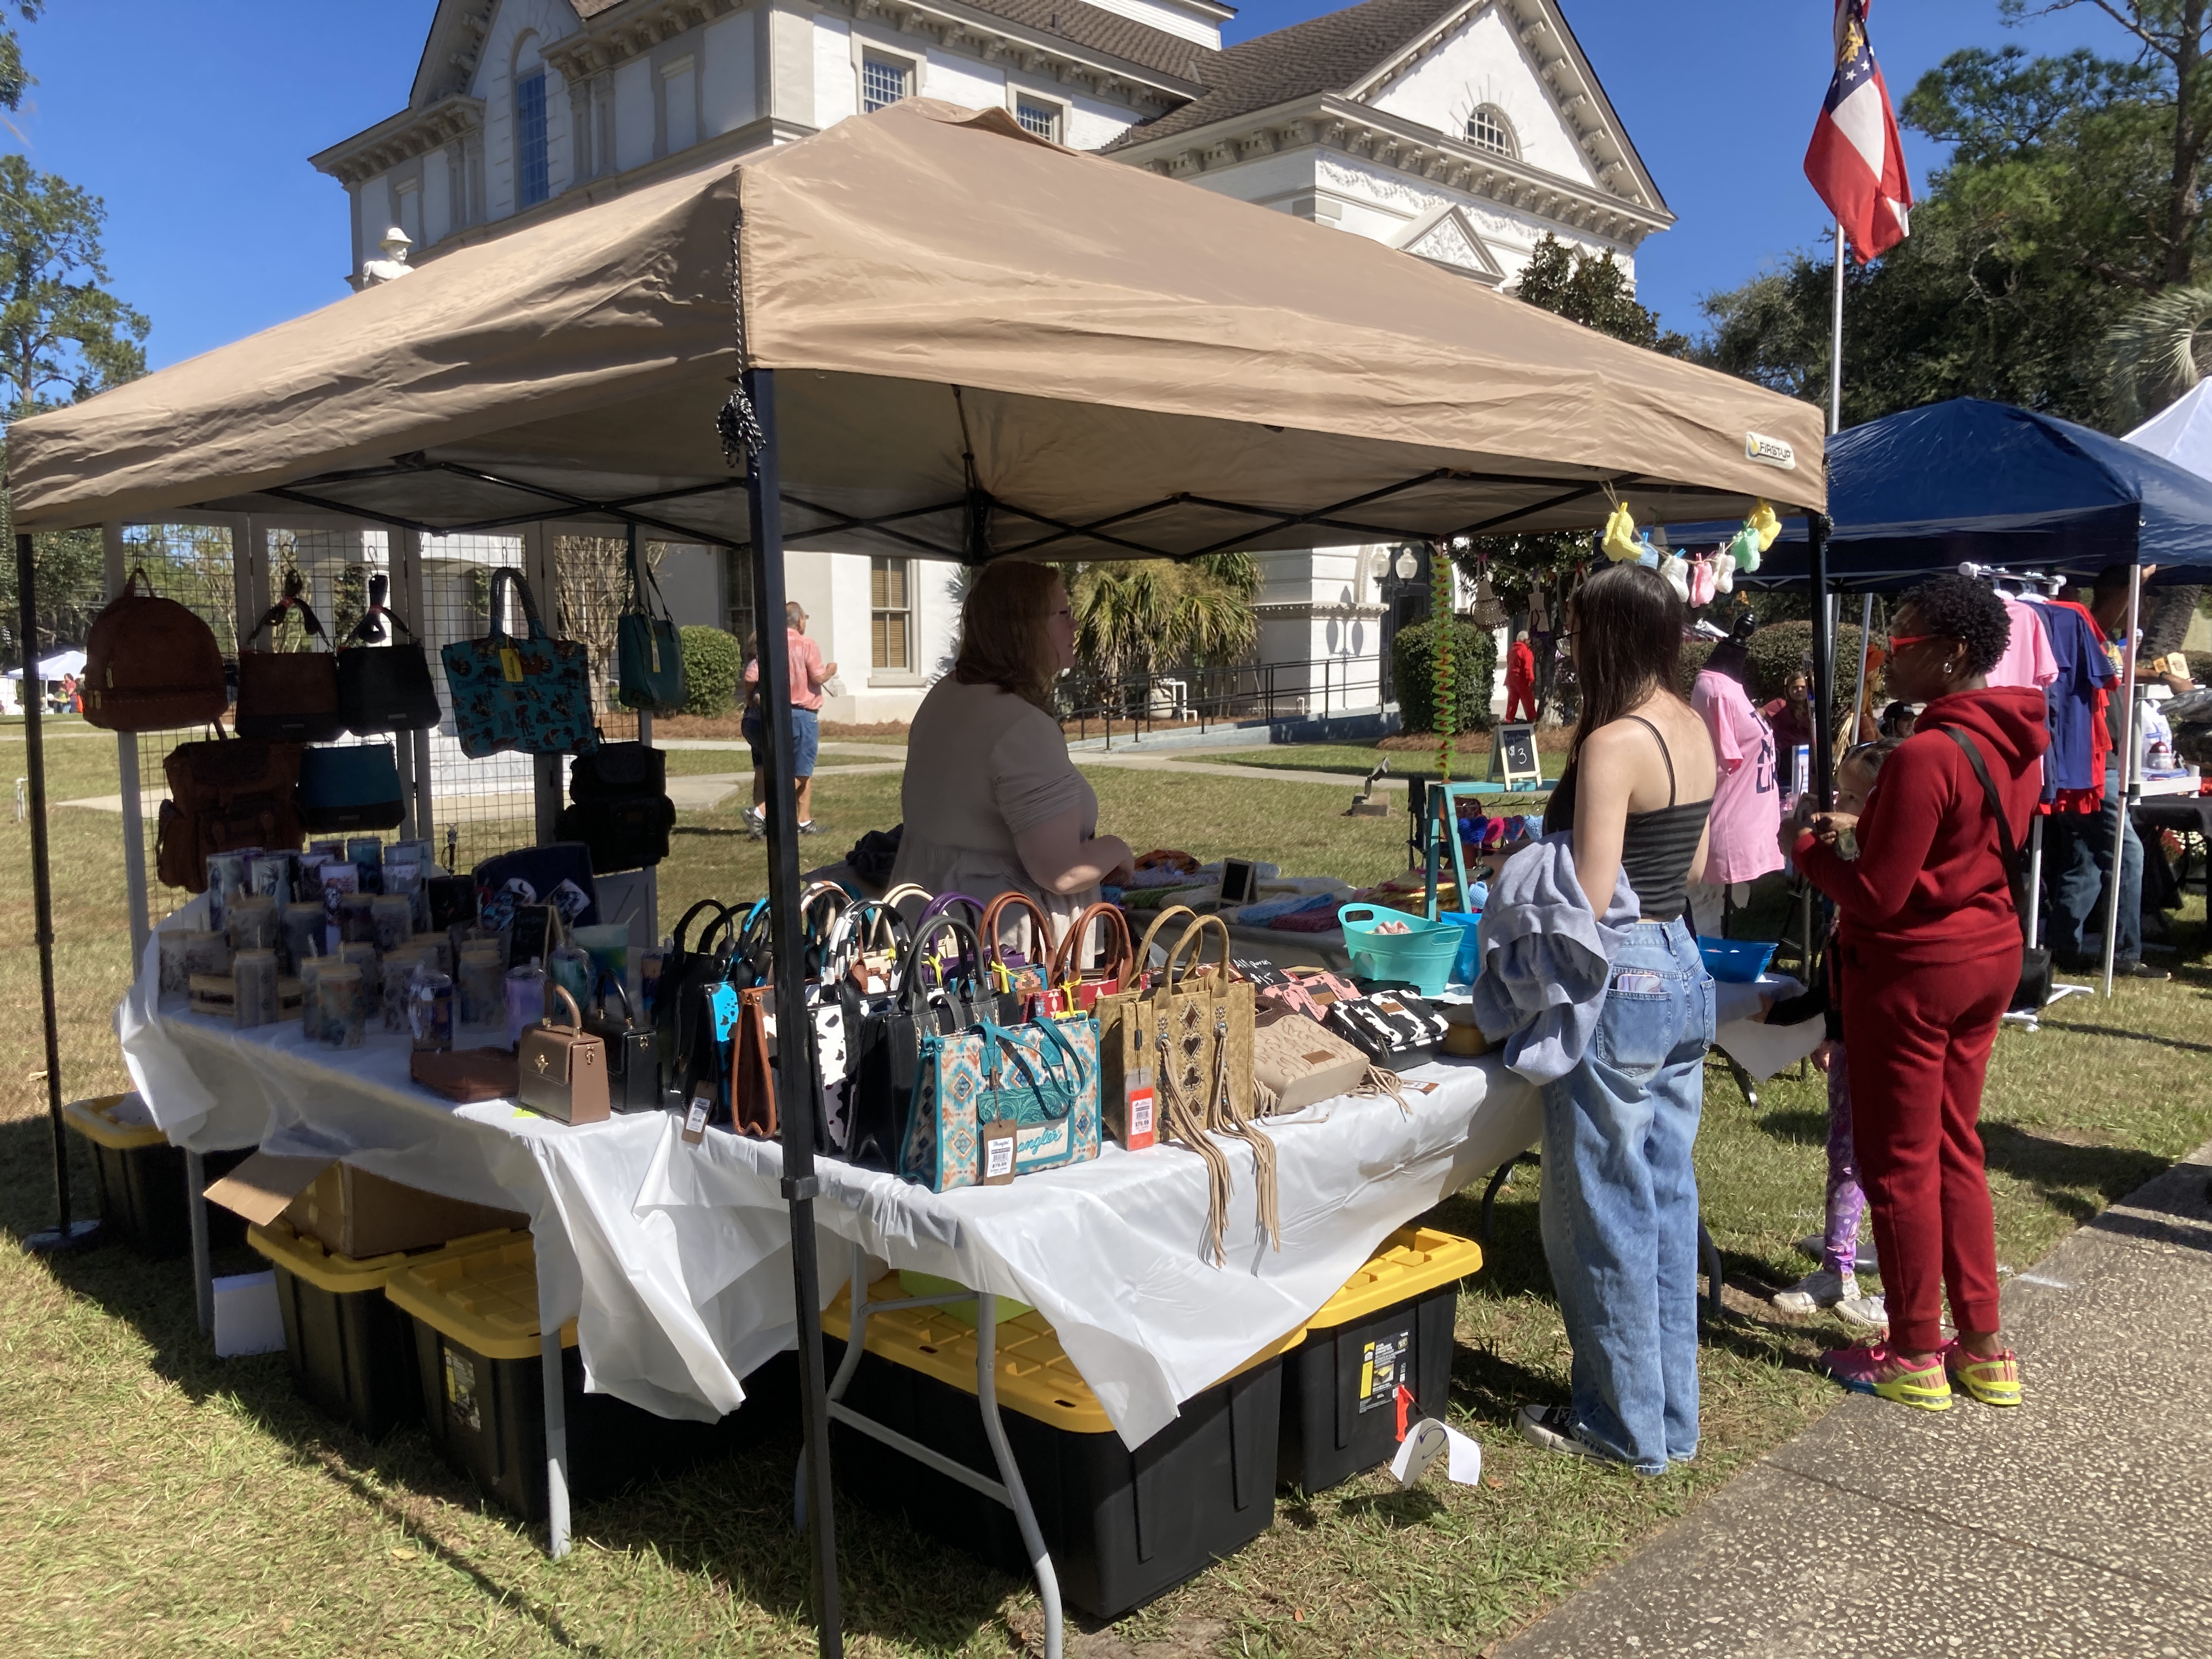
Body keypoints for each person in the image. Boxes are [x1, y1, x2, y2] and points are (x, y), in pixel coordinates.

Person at [1787, 574, 2045, 1412]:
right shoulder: (2012, 740)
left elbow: (1879, 895)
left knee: (1901, 1163)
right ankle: (1984, 1347)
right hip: (1988, 953)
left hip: (1913, 973)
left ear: (1953, 653)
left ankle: (1910, 1352)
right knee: (1957, 1147)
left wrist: (1810, 852)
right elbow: (1957, 843)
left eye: (1903, 644)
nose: (1888, 658)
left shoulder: (1930, 750)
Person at [1515, 562, 1718, 1474]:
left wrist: (1517, 886)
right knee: (1667, 1199)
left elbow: (1590, 897)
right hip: (1681, 961)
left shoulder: (1611, 743)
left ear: (1606, 638)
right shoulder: (1693, 722)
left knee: (1601, 1207)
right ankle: (1669, 1417)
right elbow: (1701, 863)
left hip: (1624, 973)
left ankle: (1619, 1423)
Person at [889, 561, 1132, 934]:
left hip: (933, 923)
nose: (1075, 625)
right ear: (1025, 626)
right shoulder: (1022, 726)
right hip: (1001, 950)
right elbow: (1062, 872)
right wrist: (1117, 849)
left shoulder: (947, 694)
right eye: (1064, 613)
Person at [1771, 740, 1897, 1328]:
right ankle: (1836, 1263)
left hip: (1894, 1037)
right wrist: (1825, 1027)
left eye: (1855, 798)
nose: (1839, 808)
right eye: (1839, 794)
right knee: (1845, 1152)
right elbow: (1837, 966)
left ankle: (1903, 1287)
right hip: (1852, 1038)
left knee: (1893, 1160)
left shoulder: (1890, 878)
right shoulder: (1844, 876)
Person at [2044, 565, 2169, 980]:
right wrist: (2139, 577)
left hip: (2092, 765)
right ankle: (2124, 955)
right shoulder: (2074, 627)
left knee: (2086, 858)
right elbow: (2106, 608)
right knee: (2125, 854)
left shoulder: (2088, 635)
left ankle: (2064, 946)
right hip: (2096, 767)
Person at [1685, 628, 1781, 936]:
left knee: (1726, 923)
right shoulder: (1715, 691)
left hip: (1747, 821)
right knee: (1711, 923)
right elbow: (1726, 759)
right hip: (1727, 826)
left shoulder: (1731, 689)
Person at [743, 603, 836, 838]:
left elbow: (750, 675)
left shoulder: (770, 642)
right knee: (802, 771)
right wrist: (830, 671)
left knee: (786, 769)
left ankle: (803, 822)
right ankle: (760, 813)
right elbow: (817, 676)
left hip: (775, 713)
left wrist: (749, 698)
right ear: (799, 621)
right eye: (805, 617)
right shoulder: (807, 644)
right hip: (803, 713)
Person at [1504, 629, 1538, 723]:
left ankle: (1509, 720)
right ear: (1525, 641)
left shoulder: (1511, 650)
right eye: (1528, 640)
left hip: (1511, 679)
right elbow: (1528, 668)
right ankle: (1532, 720)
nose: (1530, 642)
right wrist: (1531, 680)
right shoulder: (1525, 651)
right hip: (1522, 680)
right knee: (1528, 701)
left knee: (1512, 701)